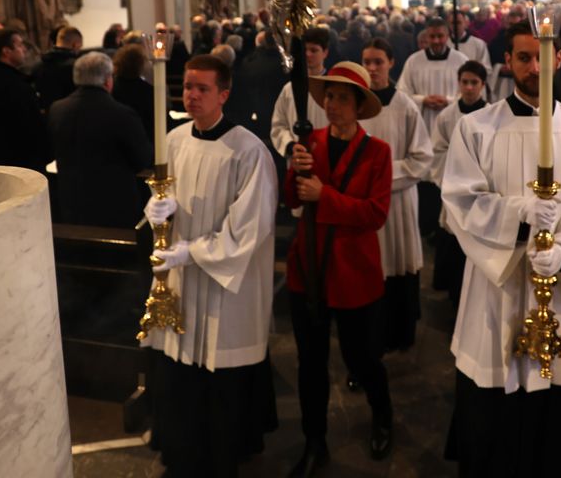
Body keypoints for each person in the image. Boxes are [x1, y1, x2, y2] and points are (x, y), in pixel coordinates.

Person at [442, 20, 561, 477]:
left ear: (559, 59)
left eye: (542, 57)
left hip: (557, 291)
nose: (533, 66)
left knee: (551, 422)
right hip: (494, 291)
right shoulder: (476, 129)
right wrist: (518, 215)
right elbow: (460, 201)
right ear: (508, 62)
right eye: (523, 57)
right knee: (492, 411)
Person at [141, 54, 278, 476]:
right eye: (187, 87)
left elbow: (249, 228)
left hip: (223, 287)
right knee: (180, 371)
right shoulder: (176, 140)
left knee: (219, 376)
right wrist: (157, 210)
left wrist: (191, 252)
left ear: (224, 93)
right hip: (183, 281)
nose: (192, 95)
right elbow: (168, 196)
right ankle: (183, 449)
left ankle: (221, 455)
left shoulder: (249, 151)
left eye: (202, 88)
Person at [284, 61, 394, 475]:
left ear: (358, 105)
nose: (331, 104)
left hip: (354, 274)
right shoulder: (307, 141)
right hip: (308, 270)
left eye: (341, 98)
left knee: (363, 359)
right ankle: (315, 443)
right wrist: (293, 171)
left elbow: (375, 213)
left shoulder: (377, 152)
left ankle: (382, 414)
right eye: (328, 96)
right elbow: (291, 201)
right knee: (310, 363)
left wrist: (323, 195)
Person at [360, 38, 433, 351]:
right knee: (368, 269)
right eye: (367, 62)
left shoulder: (405, 105)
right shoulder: (357, 105)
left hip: (397, 202)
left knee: (398, 265)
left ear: (391, 63)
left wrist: (380, 174)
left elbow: (421, 159)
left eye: (378, 62)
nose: (373, 68)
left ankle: (400, 334)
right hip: (363, 204)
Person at [48, 52, 152, 227]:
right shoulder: (122, 114)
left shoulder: (57, 109)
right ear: (107, 80)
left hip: (70, 196)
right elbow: (142, 159)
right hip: (113, 203)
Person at [429, 59, 489, 309]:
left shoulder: (492, 116)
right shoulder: (447, 116)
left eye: (474, 82)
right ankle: (455, 295)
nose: (469, 87)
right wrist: (453, 179)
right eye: (465, 82)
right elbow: (437, 151)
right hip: (454, 191)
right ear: (458, 83)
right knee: (454, 248)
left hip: (483, 194)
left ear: (483, 85)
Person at [0, 27, 50, 171]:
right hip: (21, 164)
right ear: (6, 51)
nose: (24, 49)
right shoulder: (15, 86)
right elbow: (32, 130)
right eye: (19, 45)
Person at [397, 16, 469, 133]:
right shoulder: (414, 61)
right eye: (432, 36)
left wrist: (448, 101)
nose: (436, 41)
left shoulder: (461, 60)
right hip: (422, 122)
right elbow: (402, 92)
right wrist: (423, 100)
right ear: (427, 37)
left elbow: (470, 92)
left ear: (447, 36)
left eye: (440, 36)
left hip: (453, 121)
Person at [271, 28, 331, 160]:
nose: (308, 54)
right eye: (304, 50)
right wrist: (291, 146)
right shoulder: (289, 89)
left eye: (314, 50)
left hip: (328, 157)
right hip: (298, 158)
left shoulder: (333, 89)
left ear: (325, 53)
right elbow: (278, 124)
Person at [34, 26, 82, 111]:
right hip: (70, 113)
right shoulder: (76, 66)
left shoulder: (39, 64)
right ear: (75, 45)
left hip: (47, 115)